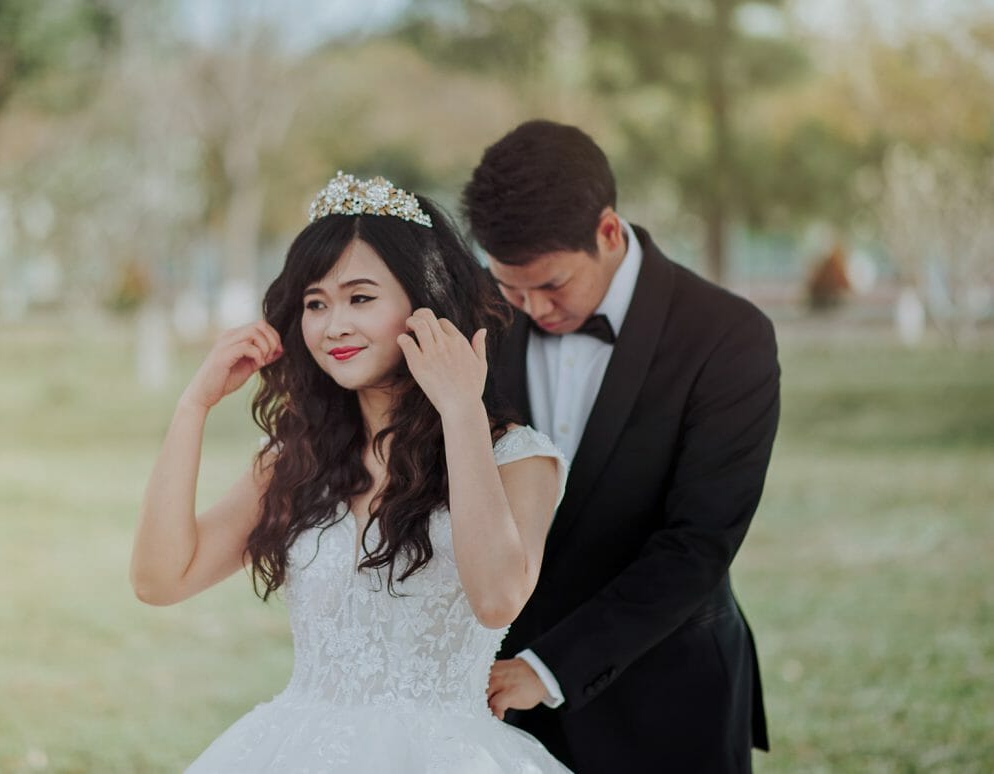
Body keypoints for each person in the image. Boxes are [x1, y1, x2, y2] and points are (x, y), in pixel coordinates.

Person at [131, 171, 572, 773]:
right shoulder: (298, 462)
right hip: (293, 748)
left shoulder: (518, 458)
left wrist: (460, 409)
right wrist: (193, 406)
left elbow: (497, 599)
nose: (333, 324)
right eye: (316, 303)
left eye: (360, 298)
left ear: (424, 302)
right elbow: (161, 580)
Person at [463, 120, 780, 772]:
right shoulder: (482, 322)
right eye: (509, 288)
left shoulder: (728, 337)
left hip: (669, 693)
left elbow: (698, 544)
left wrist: (549, 667)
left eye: (551, 286)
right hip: (499, 706)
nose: (528, 309)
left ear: (609, 231)